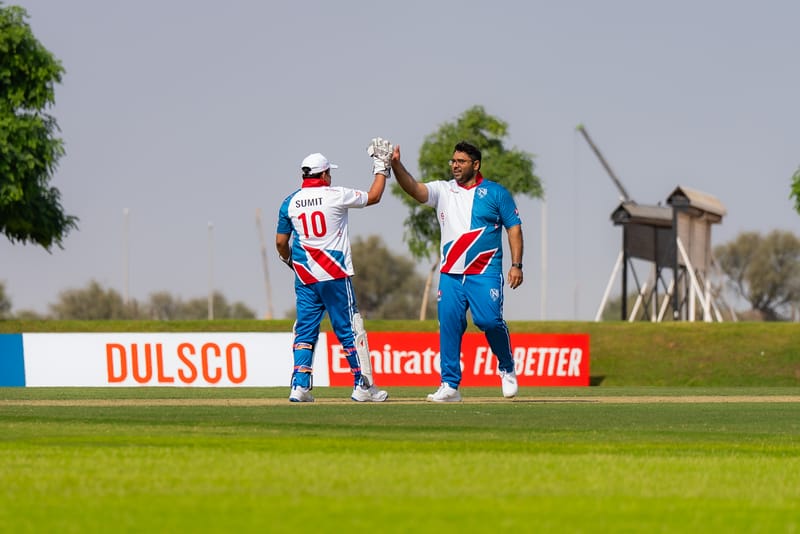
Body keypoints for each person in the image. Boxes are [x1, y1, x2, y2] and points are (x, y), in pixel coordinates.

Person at [385, 139, 524, 402]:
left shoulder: (496, 193)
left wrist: (517, 265)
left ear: (476, 164)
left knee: (488, 321)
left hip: (484, 272)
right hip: (450, 274)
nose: (455, 166)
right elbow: (414, 189)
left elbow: (514, 228)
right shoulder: (443, 190)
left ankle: (506, 366)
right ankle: (450, 385)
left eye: (461, 161)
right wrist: (396, 165)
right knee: (449, 325)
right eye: (453, 161)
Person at [276, 146, 391, 403]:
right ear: (325, 174)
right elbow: (374, 196)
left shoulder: (290, 202)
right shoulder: (336, 194)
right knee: (350, 328)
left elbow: (281, 242)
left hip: (306, 278)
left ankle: (300, 386)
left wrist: (290, 262)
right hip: (335, 274)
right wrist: (382, 168)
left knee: (305, 331)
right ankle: (363, 385)